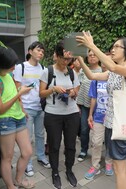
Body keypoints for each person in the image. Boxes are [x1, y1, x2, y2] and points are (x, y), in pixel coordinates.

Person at [76, 32, 126, 189]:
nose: (113, 49)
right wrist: (79, 58)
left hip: (121, 124)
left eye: (117, 46)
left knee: (120, 165)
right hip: (110, 122)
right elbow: (91, 75)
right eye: (113, 46)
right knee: (119, 165)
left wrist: (91, 45)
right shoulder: (113, 72)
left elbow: (111, 65)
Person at [0, 46, 34, 189]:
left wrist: (23, 109)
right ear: (0, 64)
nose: (14, 68)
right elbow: (0, 109)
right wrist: (20, 94)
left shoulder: (9, 75)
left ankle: (18, 180)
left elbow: (13, 93)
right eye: (11, 66)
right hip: (5, 120)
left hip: (19, 117)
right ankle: (10, 186)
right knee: (6, 157)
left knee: (27, 152)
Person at [39, 41, 80, 189]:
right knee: (54, 145)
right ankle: (55, 172)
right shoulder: (47, 71)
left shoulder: (72, 72)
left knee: (70, 145)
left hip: (72, 113)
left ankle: (69, 170)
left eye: (68, 59)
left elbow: (77, 90)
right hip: (53, 114)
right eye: (63, 58)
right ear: (56, 56)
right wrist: (53, 89)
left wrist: (73, 92)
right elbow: (41, 93)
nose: (66, 61)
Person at [14, 41, 50, 177]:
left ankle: (41, 157)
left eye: (42, 51)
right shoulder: (21, 67)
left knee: (40, 134)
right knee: (27, 138)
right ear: (30, 51)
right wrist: (22, 109)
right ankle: (27, 164)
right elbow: (17, 89)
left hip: (40, 107)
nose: (41, 53)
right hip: (27, 108)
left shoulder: (43, 68)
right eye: (38, 50)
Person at [84, 62, 114, 180]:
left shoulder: (116, 78)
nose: (105, 63)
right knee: (96, 142)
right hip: (98, 117)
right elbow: (94, 98)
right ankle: (95, 165)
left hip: (112, 117)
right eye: (104, 60)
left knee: (110, 142)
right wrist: (90, 114)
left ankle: (108, 162)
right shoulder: (96, 80)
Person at [77, 50, 102, 162]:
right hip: (84, 105)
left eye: (94, 55)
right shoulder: (83, 70)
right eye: (90, 55)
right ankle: (83, 150)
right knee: (84, 129)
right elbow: (80, 87)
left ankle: (98, 152)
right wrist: (78, 104)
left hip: (99, 106)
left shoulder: (102, 71)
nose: (92, 57)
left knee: (98, 132)